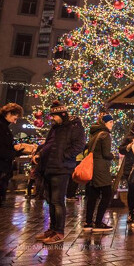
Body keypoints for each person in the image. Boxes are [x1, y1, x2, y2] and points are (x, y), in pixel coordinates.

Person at [33, 100, 85, 245]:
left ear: (62, 114)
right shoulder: (55, 128)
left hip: (61, 168)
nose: (52, 118)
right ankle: (52, 229)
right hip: (49, 167)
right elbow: (49, 144)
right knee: (50, 201)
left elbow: (79, 145)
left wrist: (64, 156)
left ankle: (59, 232)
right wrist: (40, 153)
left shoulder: (74, 127)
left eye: (54, 116)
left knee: (57, 201)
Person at [83, 114, 115, 233]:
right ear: (105, 123)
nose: (112, 124)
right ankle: (98, 223)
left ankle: (88, 222)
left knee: (93, 195)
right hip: (101, 168)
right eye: (110, 122)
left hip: (93, 167)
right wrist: (112, 155)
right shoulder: (105, 135)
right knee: (107, 194)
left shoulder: (94, 134)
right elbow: (106, 154)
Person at [119, 115, 134, 223]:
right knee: (132, 191)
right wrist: (129, 146)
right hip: (130, 167)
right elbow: (121, 149)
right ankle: (131, 212)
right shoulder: (130, 136)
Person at [0, 103, 24, 206]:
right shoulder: (2, 127)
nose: (15, 121)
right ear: (9, 113)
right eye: (15, 117)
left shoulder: (4, 126)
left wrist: (14, 149)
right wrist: (14, 153)